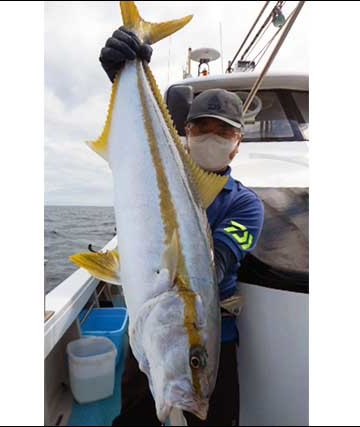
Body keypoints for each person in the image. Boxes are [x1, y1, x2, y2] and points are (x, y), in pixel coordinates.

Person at [100, 27, 265, 427]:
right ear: (185, 134)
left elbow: (218, 264)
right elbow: (133, 148)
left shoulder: (246, 205)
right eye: (202, 127)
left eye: (224, 130)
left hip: (211, 344)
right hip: (152, 338)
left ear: (238, 142)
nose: (213, 136)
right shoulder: (154, 170)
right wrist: (121, 74)